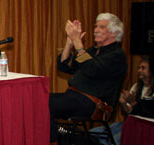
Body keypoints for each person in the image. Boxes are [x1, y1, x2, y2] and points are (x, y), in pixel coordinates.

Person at [49, 13, 127, 143]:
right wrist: (69, 42)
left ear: (115, 33)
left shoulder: (117, 55)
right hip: (74, 97)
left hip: (93, 103)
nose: (96, 30)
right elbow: (64, 66)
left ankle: (51, 140)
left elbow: (91, 69)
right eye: (96, 26)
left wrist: (78, 43)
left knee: (45, 103)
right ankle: (58, 138)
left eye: (101, 27)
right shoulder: (93, 50)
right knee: (37, 99)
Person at [88, 55, 153, 145]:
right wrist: (123, 103)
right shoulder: (136, 87)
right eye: (139, 67)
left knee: (111, 140)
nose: (139, 70)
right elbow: (128, 112)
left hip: (145, 128)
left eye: (143, 68)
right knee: (93, 133)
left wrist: (133, 102)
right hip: (129, 123)